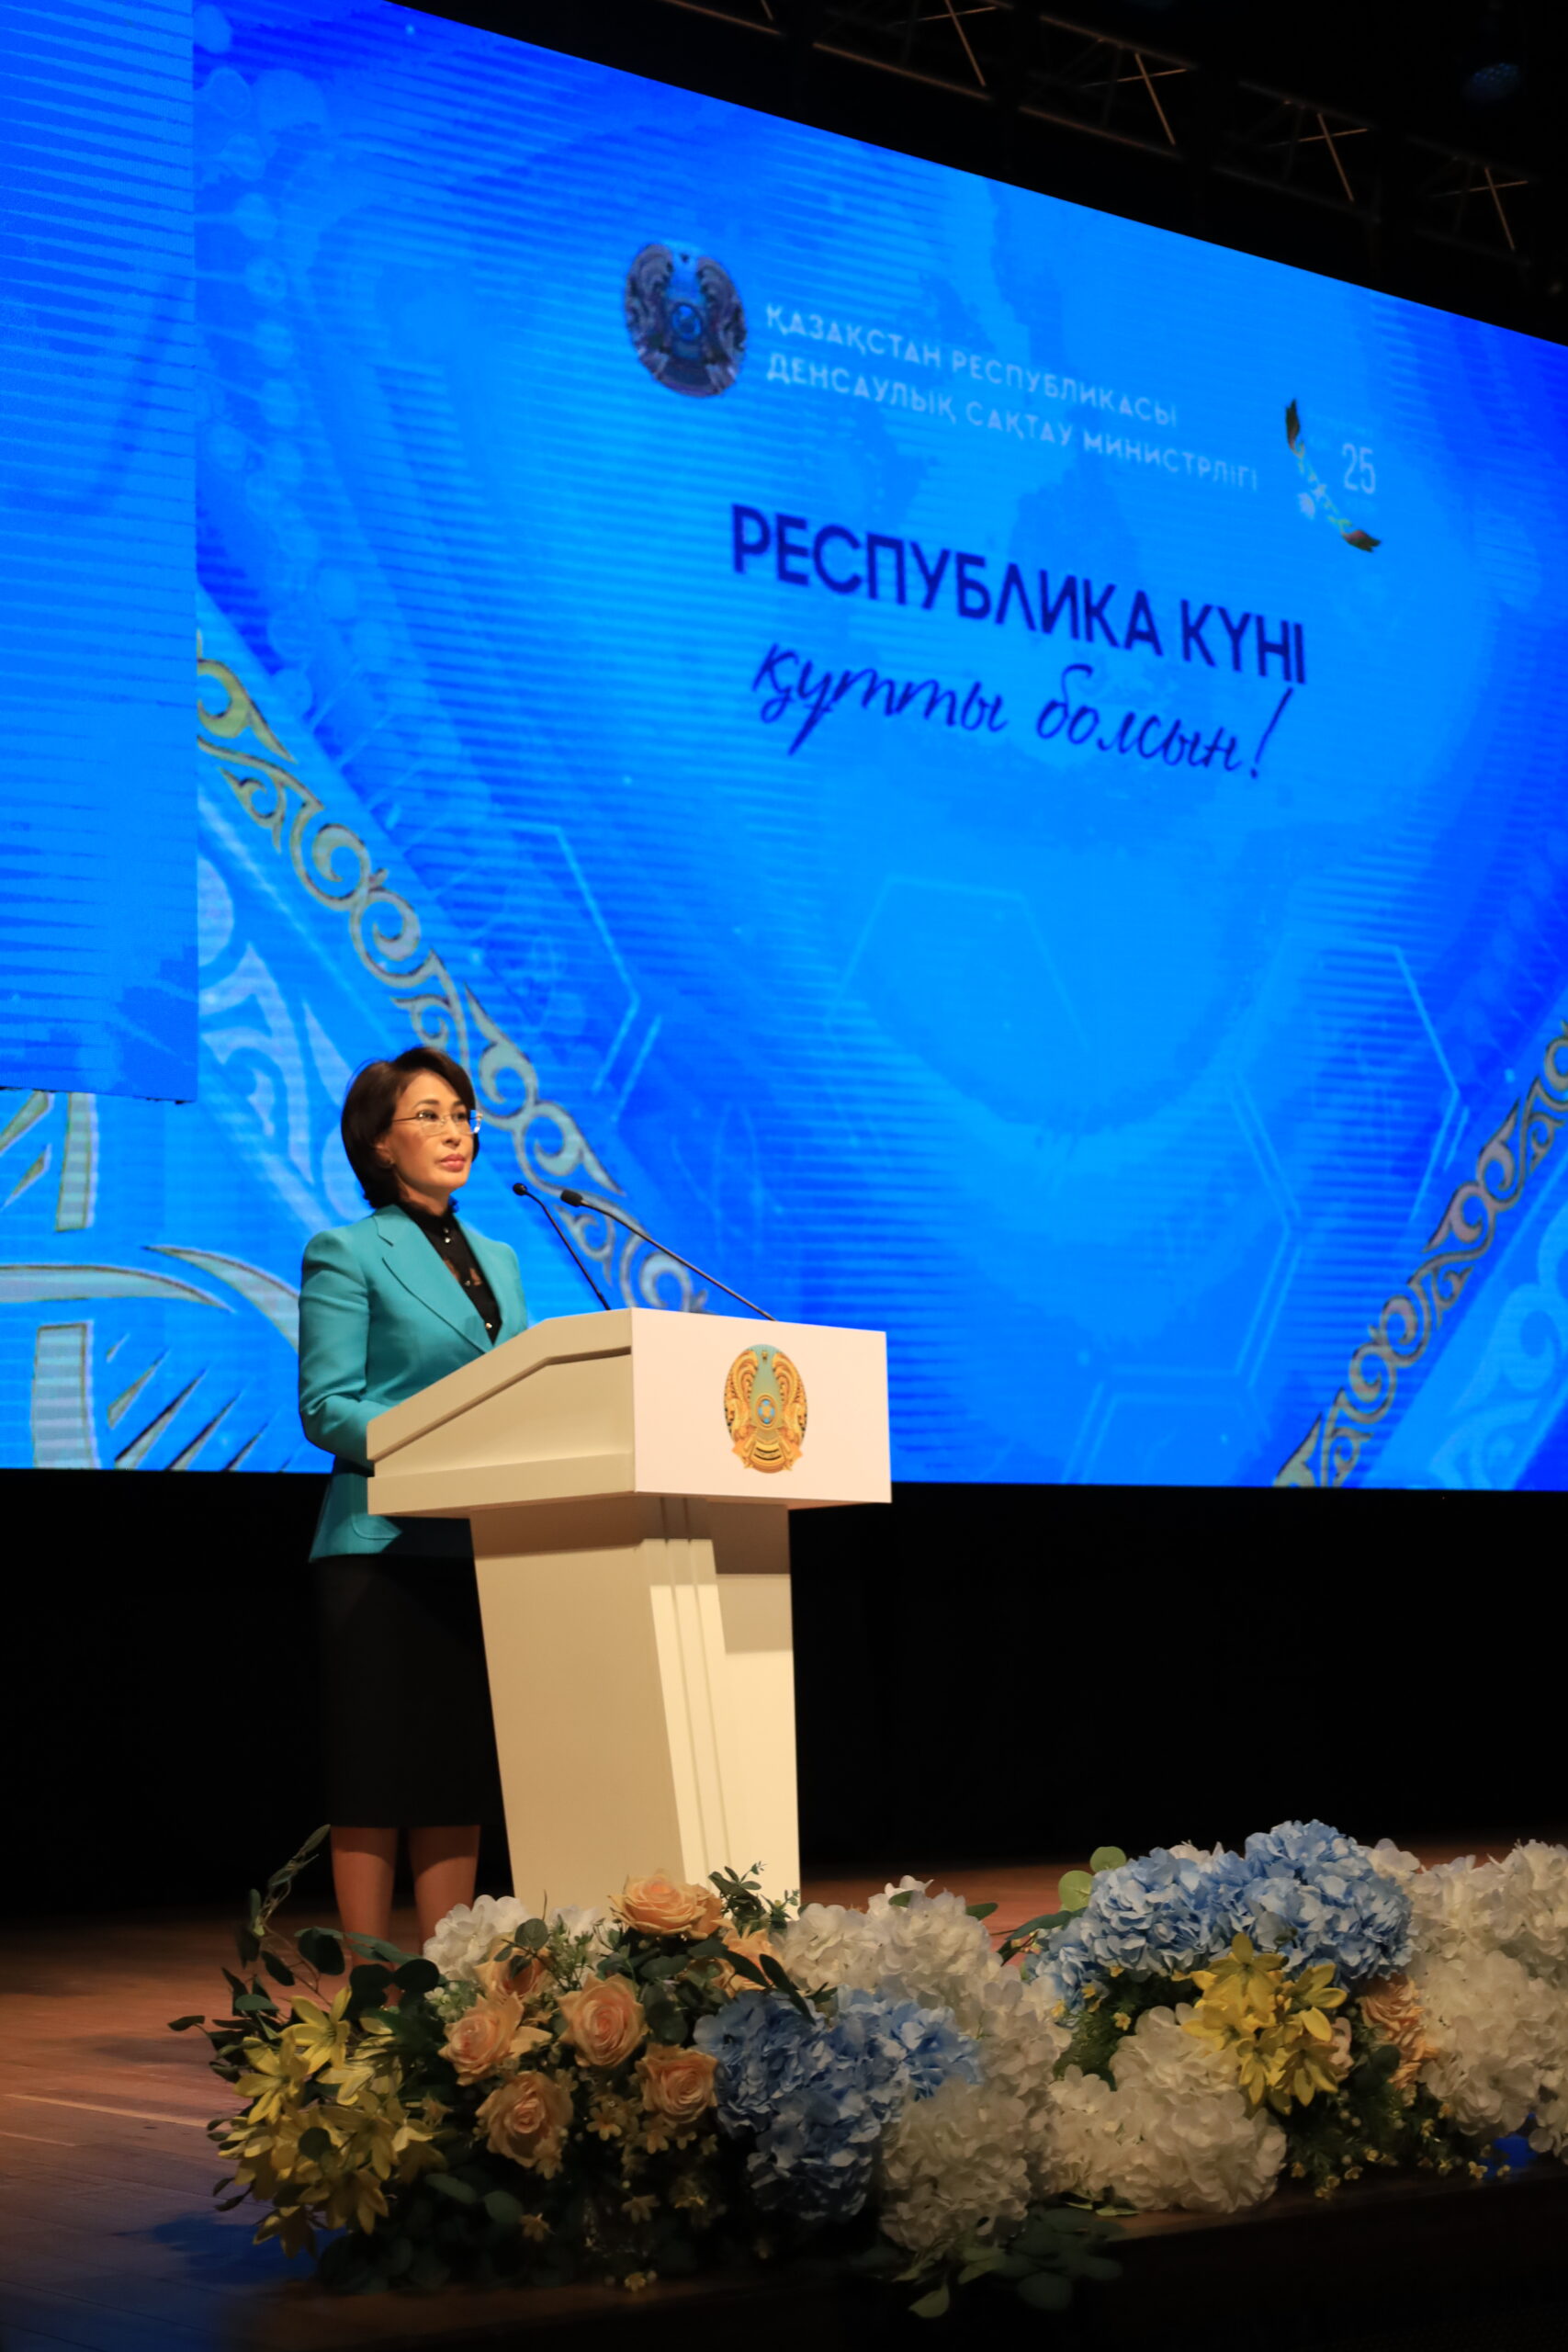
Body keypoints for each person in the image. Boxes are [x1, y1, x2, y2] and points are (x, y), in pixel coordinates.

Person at [298, 1046, 527, 1950]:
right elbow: (328, 1405)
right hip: (379, 1542)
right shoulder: (346, 1251)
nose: (454, 1130)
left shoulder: (501, 1258)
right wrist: (433, 1442)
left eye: (461, 1114)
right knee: (376, 1770)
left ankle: (450, 1971)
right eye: (428, 1115)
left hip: (475, 1541)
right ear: (379, 1144)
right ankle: (364, 1977)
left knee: (453, 1770)